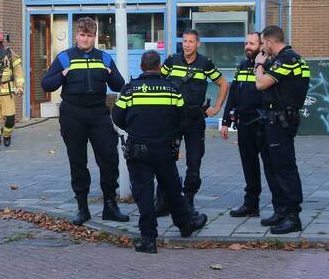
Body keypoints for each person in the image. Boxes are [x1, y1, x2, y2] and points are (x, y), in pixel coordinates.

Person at [40, 17, 129, 226]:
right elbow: (46, 85)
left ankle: (110, 206)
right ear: (76, 35)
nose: (85, 39)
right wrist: (62, 74)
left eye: (89, 36)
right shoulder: (65, 58)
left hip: (99, 114)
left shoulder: (104, 58)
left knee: (109, 159)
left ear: (94, 36)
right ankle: (83, 208)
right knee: (78, 162)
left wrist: (110, 73)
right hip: (73, 114)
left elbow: (119, 85)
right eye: (82, 35)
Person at [112, 51, 197, 253]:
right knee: (173, 190)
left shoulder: (130, 90)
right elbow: (182, 117)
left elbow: (117, 116)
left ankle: (148, 239)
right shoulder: (172, 89)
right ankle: (185, 226)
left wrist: (134, 127)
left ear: (141, 66)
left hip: (138, 150)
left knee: (144, 195)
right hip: (165, 149)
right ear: (159, 67)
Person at [160, 30, 229, 222]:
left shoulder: (204, 63)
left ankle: (188, 200)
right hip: (173, 118)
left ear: (198, 44)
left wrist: (217, 107)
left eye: (191, 41)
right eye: (184, 41)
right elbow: (158, 81)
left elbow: (224, 84)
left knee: (194, 159)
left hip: (194, 119)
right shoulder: (172, 61)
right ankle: (164, 199)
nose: (187, 45)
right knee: (166, 157)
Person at [253, 25, 311, 234]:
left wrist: (259, 65)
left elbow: (261, 84)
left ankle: (292, 215)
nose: (262, 48)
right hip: (275, 120)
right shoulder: (286, 59)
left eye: (263, 43)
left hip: (281, 121)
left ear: (270, 42)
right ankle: (281, 210)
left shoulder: (287, 60)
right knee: (273, 166)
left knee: (285, 167)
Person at [221, 32, 274, 220]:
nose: (247, 46)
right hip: (244, 125)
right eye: (246, 43)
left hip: (263, 125)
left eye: (251, 43)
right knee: (249, 166)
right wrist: (226, 120)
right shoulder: (243, 66)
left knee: (271, 166)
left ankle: (279, 207)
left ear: (261, 46)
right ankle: (251, 204)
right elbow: (234, 94)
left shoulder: (269, 66)